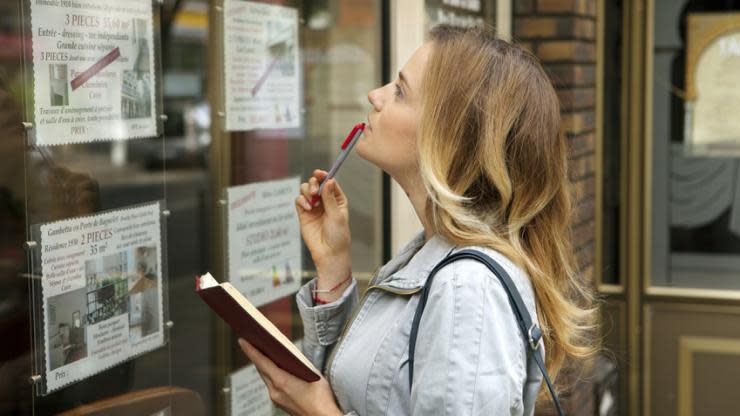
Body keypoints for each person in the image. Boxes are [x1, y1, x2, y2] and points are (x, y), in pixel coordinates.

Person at [239, 24, 598, 416]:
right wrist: (334, 266)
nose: (374, 96)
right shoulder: (430, 253)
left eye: (400, 91)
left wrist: (316, 412)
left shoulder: (467, 288)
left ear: (449, 135)